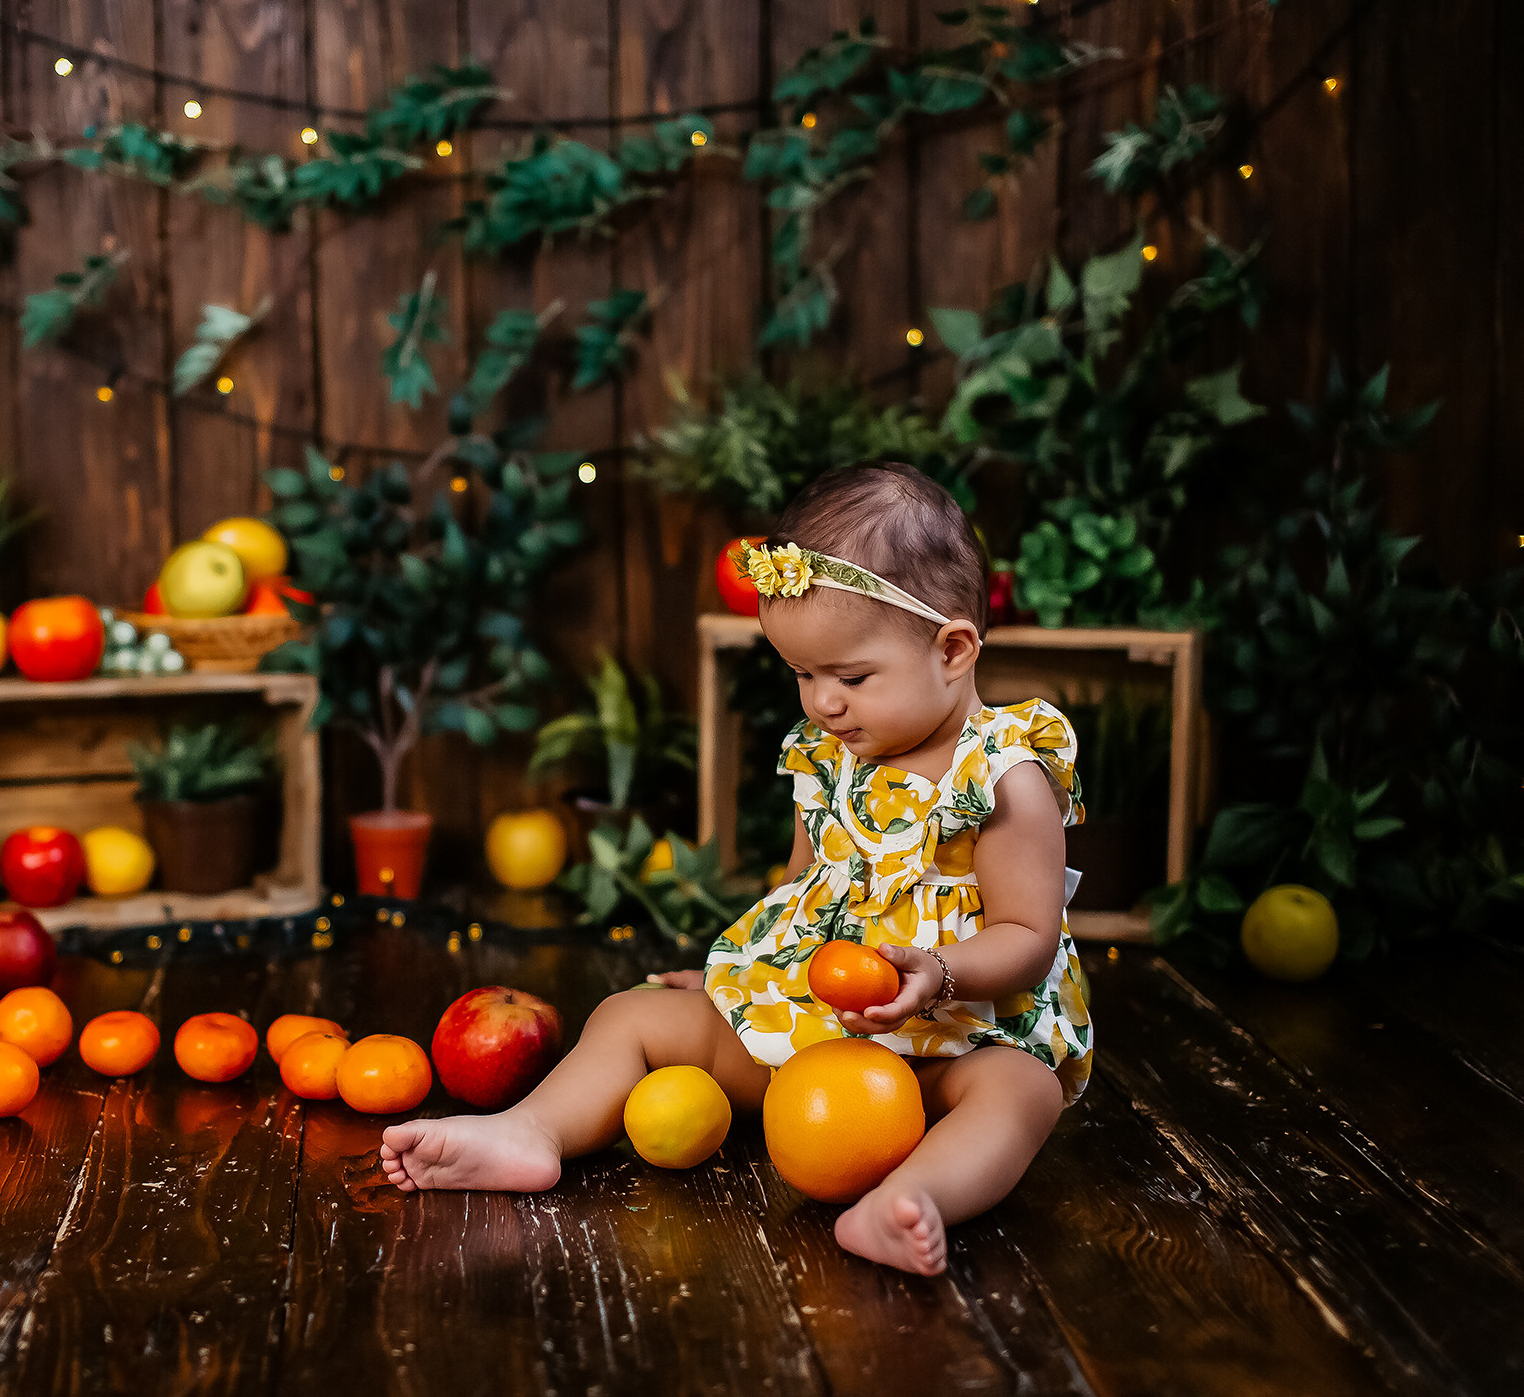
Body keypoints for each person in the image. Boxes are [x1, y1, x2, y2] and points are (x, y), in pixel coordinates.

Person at [380, 462, 1094, 1275]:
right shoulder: (827, 758)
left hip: (954, 1047)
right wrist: (742, 976)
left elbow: (1028, 935)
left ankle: (915, 1198)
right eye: (803, 675)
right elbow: (799, 889)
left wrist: (937, 971)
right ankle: (530, 1132)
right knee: (630, 1014)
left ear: (953, 649)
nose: (823, 702)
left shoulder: (1001, 778)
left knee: (1021, 1093)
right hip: (813, 1045)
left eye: (851, 677)